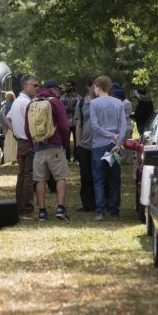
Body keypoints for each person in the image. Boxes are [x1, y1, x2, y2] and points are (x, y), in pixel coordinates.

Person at [24, 79, 71, 221]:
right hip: (55, 146)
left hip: (38, 146)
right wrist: (64, 145)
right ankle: (60, 208)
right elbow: (64, 127)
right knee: (61, 177)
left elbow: (27, 129)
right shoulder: (56, 102)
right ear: (54, 90)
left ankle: (42, 211)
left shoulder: (31, 104)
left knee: (40, 180)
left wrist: (34, 145)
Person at [89, 75, 127, 220]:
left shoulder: (94, 104)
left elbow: (95, 126)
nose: (94, 89)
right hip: (113, 145)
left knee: (99, 178)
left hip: (99, 144)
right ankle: (115, 210)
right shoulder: (119, 103)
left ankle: (100, 210)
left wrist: (110, 135)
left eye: (94, 86)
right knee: (114, 178)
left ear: (98, 86)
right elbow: (123, 125)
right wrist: (117, 142)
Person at [6, 75, 40, 220]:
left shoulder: (17, 101)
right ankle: (27, 210)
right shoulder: (26, 103)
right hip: (28, 142)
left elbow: (7, 119)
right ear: (26, 86)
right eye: (35, 85)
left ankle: (20, 208)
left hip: (21, 141)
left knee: (22, 175)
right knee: (28, 176)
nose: (37, 88)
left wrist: (16, 133)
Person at [73, 75, 97, 212]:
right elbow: (78, 125)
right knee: (86, 175)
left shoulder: (102, 102)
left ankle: (100, 201)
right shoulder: (82, 102)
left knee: (99, 175)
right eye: (94, 85)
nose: (97, 88)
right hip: (85, 145)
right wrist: (78, 144)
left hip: (100, 145)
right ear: (89, 87)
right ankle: (87, 203)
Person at [59, 80, 80, 161]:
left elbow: (78, 110)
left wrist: (68, 109)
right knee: (66, 141)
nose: (67, 87)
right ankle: (67, 158)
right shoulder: (62, 97)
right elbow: (60, 110)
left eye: (69, 85)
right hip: (66, 123)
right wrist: (68, 109)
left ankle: (77, 158)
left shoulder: (78, 97)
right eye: (66, 85)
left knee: (77, 141)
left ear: (73, 87)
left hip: (75, 123)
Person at [115, 88, 135, 164]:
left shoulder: (126, 103)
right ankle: (124, 159)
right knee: (124, 145)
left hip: (127, 127)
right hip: (125, 127)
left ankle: (128, 160)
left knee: (127, 145)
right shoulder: (123, 102)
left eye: (117, 97)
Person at [1, 91, 17, 164]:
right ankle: (14, 159)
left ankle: (8, 159)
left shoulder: (7, 105)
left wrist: (5, 128)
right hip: (15, 126)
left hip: (8, 127)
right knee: (14, 144)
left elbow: (6, 117)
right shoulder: (15, 104)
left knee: (8, 144)